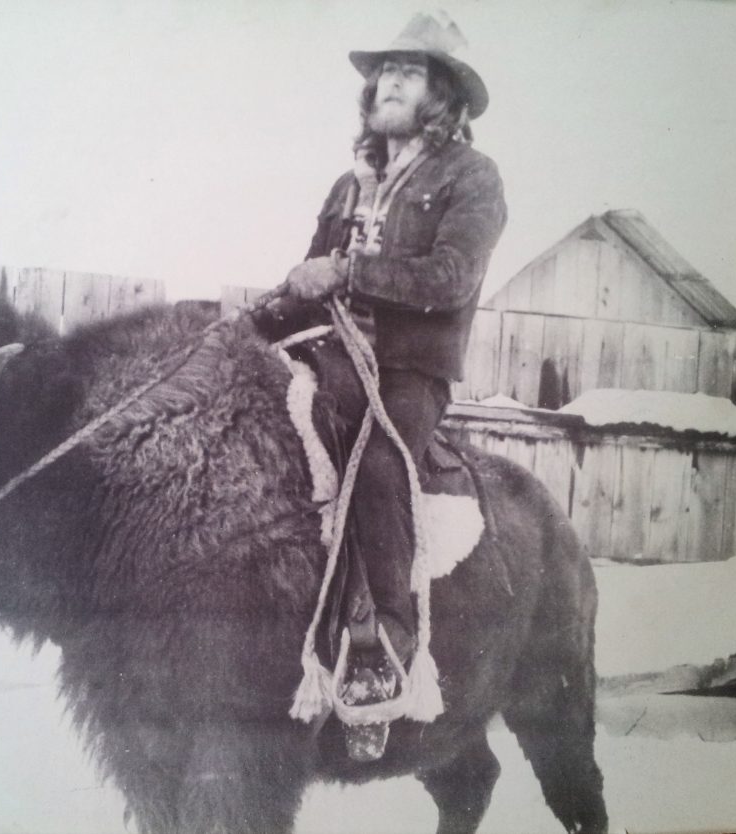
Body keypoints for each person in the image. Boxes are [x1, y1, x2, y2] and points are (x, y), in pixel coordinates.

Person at [284, 12, 507, 694]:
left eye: (407, 72)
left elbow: (451, 279)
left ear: (442, 95)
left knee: (378, 466)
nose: (387, 81)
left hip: (411, 372)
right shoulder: (349, 184)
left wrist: (349, 273)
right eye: (385, 70)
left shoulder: (472, 177)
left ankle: (388, 641)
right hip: (332, 358)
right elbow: (307, 280)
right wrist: (250, 323)